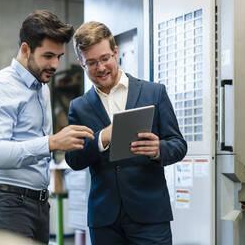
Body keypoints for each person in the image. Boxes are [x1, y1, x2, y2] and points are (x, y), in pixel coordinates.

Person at [0, 10, 94, 244]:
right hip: (6, 205)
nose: (55, 65)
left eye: (59, 56)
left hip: (37, 204)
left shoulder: (41, 87)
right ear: (25, 49)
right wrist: (52, 142)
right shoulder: (0, 88)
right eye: (48, 55)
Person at [65, 21, 187, 245]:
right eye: (91, 63)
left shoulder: (154, 93)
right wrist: (102, 137)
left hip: (150, 216)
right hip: (104, 221)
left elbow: (178, 145)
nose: (100, 68)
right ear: (81, 63)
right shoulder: (79, 107)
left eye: (104, 59)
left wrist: (158, 149)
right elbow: (73, 159)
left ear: (115, 52)